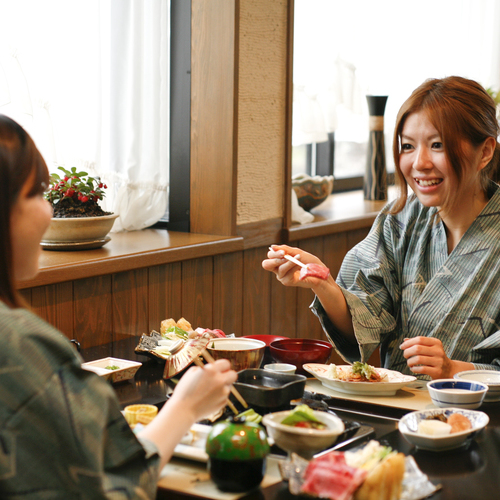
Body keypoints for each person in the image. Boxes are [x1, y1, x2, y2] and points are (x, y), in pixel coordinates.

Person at [0, 114, 238, 497]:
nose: (48, 211)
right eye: (35, 194)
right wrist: (185, 408)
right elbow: (111, 487)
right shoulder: (21, 345)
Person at [263, 76, 500, 381]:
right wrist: (323, 284)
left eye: (437, 145)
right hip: (395, 410)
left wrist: (453, 369)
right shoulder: (399, 219)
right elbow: (363, 323)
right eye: (407, 146)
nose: (419, 163)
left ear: (485, 152)